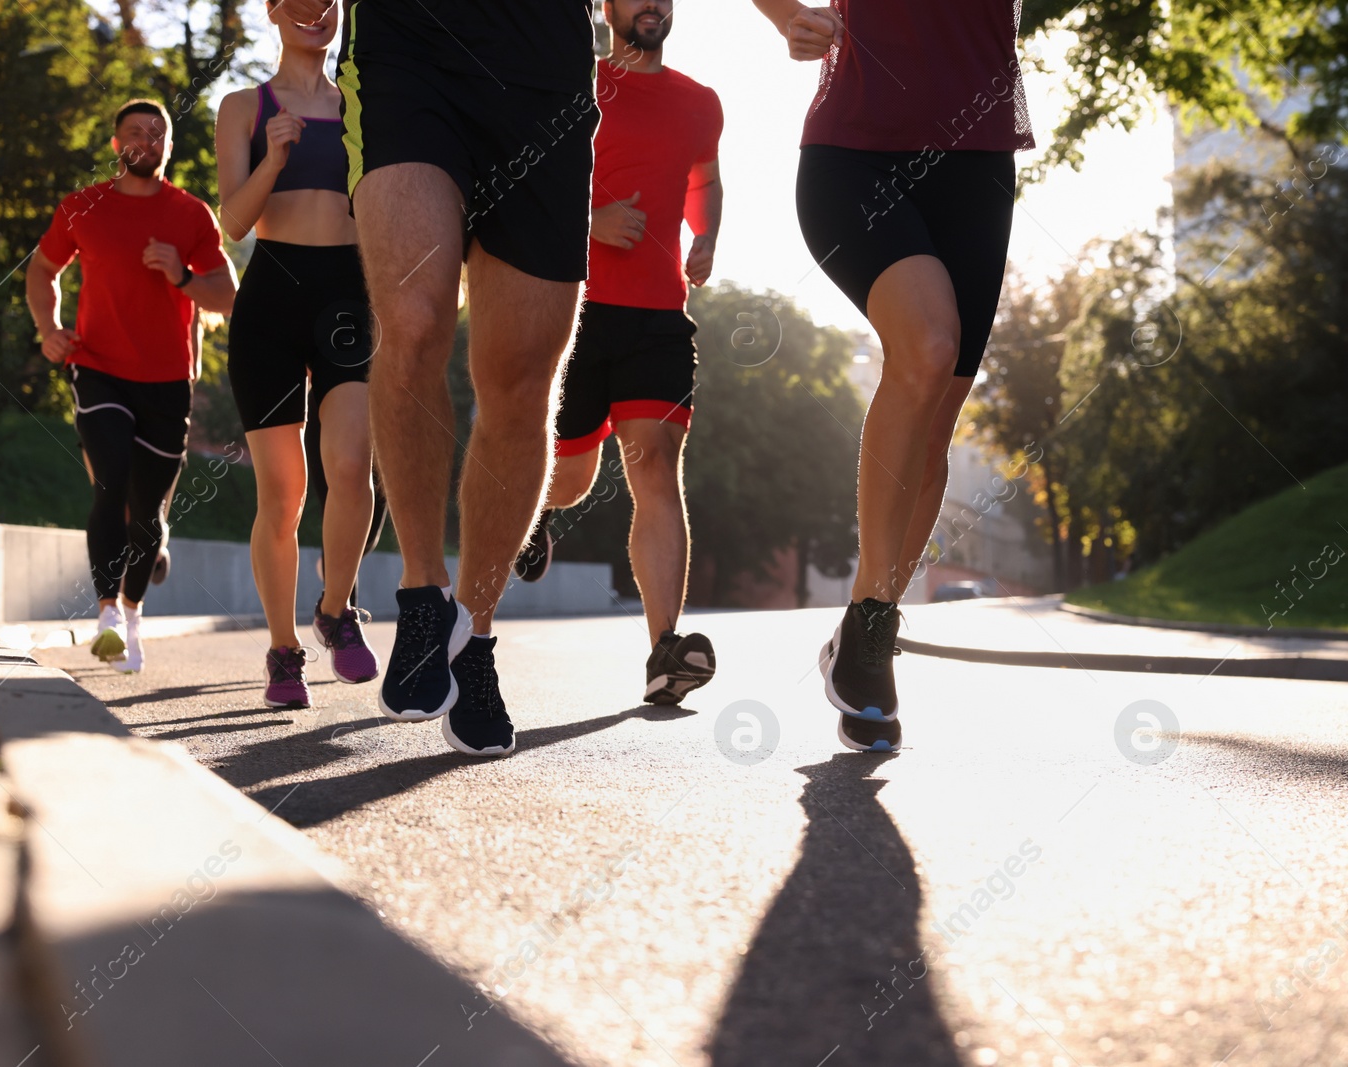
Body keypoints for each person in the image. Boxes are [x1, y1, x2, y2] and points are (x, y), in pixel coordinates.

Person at [279, 0, 597, 757]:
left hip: (543, 64)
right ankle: (423, 591)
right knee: (414, 319)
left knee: (520, 380)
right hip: (406, 40)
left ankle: (475, 631)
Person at [751, 0, 1033, 751]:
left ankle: (862, 626)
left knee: (937, 412)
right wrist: (785, 15)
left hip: (977, 155)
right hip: (856, 147)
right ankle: (874, 627)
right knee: (929, 348)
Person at [513, 0, 723, 707]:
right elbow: (524, 183)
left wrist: (707, 236)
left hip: (659, 320)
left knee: (655, 465)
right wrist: (590, 223)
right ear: (607, 7)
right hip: (577, 309)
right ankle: (537, 513)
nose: (652, 4)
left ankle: (666, 649)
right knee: (569, 476)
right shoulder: (578, 83)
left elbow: (705, 179)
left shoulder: (700, 103)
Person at [27, 99, 237, 674]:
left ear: (169, 147)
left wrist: (182, 275)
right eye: (135, 132)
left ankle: (133, 610)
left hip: (168, 378)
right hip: (97, 367)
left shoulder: (191, 215)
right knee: (110, 483)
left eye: (158, 133)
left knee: (147, 513)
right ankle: (106, 618)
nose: (146, 139)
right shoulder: (81, 206)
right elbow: (43, 269)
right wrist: (49, 329)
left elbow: (226, 294)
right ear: (117, 144)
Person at [215, 0, 382, 710]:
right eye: (300, 4)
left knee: (350, 466)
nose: (316, 14)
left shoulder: (367, 106)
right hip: (271, 298)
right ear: (274, 14)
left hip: (348, 292)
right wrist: (274, 157)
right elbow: (232, 221)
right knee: (282, 495)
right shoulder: (243, 108)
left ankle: (335, 609)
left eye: (328, 5)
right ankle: (284, 652)